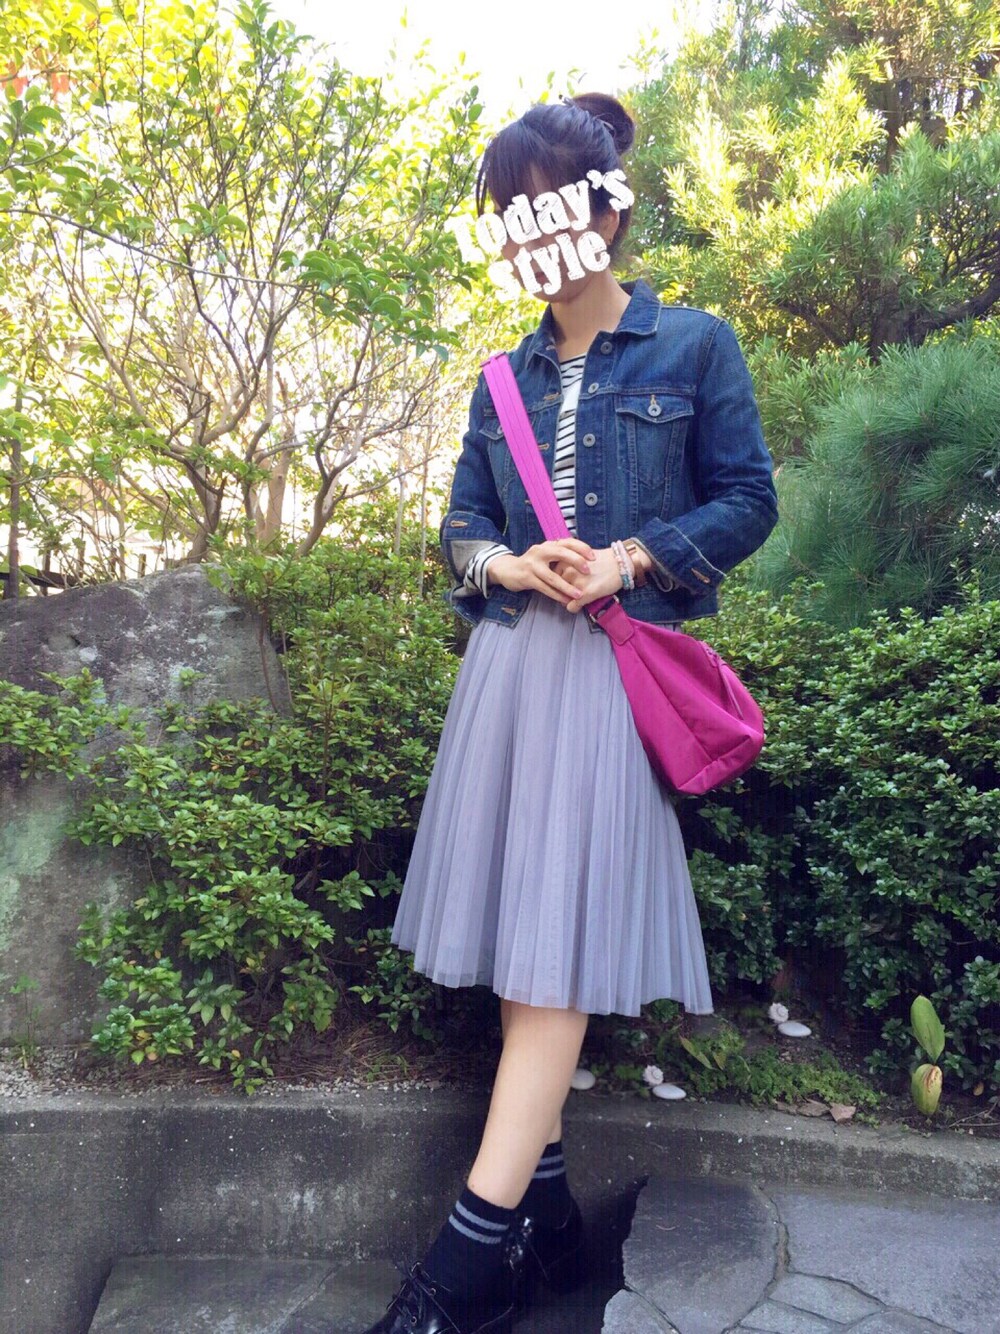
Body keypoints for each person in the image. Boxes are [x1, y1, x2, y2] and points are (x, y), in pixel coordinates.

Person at [364, 91, 779, 1334]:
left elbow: (748, 500)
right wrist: (509, 561)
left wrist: (630, 558)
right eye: (507, 222)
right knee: (523, 947)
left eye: (542, 214)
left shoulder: (694, 346)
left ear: (602, 215)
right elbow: (460, 525)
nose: (525, 242)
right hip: (508, 679)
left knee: (549, 963)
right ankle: (541, 1221)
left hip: (608, 680)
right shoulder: (499, 378)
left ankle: (459, 1272)